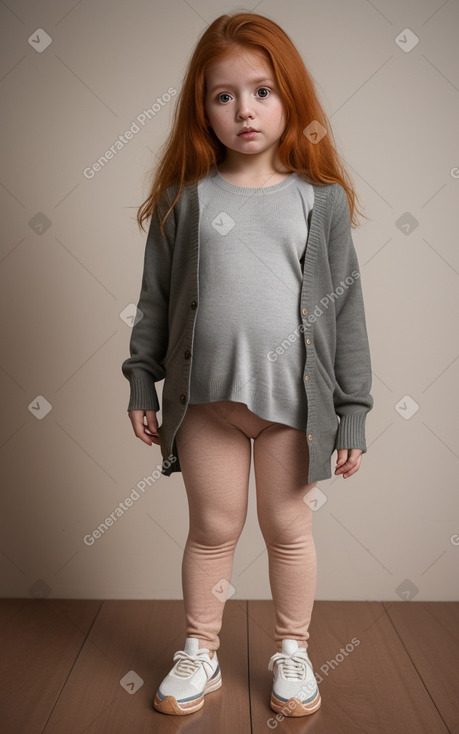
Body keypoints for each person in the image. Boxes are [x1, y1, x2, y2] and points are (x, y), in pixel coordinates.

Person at [121, 10, 374, 719]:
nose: (244, 110)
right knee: (211, 529)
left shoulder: (317, 201)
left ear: (290, 96)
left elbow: (345, 314)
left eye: (261, 90)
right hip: (208, 407)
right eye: (222, 95)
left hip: (293, 408)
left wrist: (352, 410)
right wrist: (142, 375)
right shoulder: (185, 199)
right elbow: (155, 303)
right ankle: (199, 653)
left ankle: (292, 652)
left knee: (289, 531)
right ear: (201, 108)